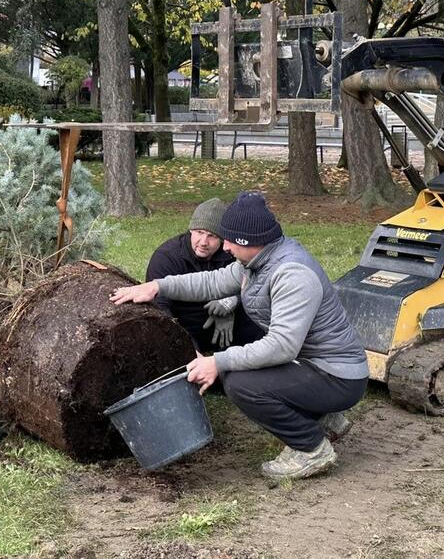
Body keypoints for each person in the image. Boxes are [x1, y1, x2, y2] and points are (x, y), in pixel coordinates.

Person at [112, 191, 368, 481]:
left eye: (230, 240)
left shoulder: (291, 274)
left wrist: (217, 361)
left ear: (250, 241)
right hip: (312, 365)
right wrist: (157, 287)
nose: (227, 246)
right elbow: (211, 282)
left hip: (338, 375)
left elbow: (282, 346)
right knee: (240, 371)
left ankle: (311, 447)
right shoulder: (257, 262)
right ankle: (324, 418)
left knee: (240, 382)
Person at [145, 198, 262, 354]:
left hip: (227, 318)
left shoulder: (232, 253)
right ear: (191, 230)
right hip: (185, 321)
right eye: (199, 232)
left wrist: (232, 302)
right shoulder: (167, 257)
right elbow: (159, 307)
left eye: (212, 236)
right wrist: (187, 347)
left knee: (255, 329)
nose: (203, 242)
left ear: (222, 239)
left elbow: (257, 283)